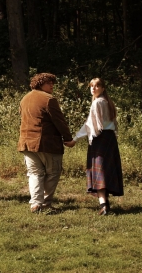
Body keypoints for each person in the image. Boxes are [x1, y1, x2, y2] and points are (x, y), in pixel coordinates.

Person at [65, 78, 124, 215]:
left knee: (100, 171)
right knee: (105, 169)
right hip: (109, 138)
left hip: (100, 138)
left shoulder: (97, 103)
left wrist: (75, 139)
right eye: (92, 86)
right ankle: (105, 204)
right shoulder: (108, 102)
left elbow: (90, 125)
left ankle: (103, 205)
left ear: (103, 88)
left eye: (97, 86)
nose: (94, 88)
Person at [18, 73, 73, 213]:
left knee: (34, 173)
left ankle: (35, 203)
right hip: (46, 143)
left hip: (26, 142)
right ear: (39, 83)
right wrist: (67, 138)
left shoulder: (24, 98)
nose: (52, 85)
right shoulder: (49, 99)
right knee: (53, 172)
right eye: (49, 83)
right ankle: (45, 203)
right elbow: (59, 121)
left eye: (52, 83)